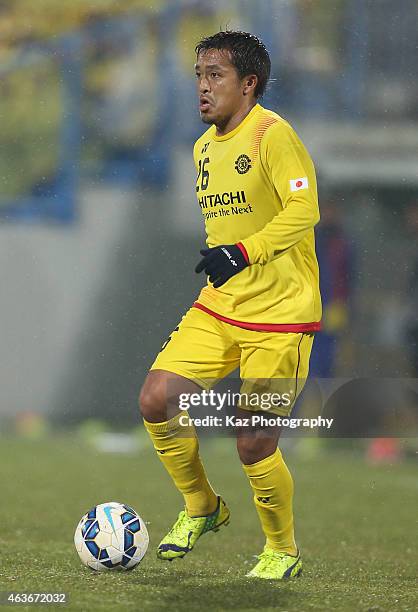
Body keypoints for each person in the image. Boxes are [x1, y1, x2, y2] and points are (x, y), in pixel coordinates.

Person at [139, 30, 321, 580]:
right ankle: (203, 506)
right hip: (221, 307)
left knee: (253, 441)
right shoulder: (202, 149)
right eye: (198, 75)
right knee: (156, 399)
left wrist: (245, 251)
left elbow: (304, 208)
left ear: (248, 84)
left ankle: (281, 549)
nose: (202, 86)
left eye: (215, 75)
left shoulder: (273, 133)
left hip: (282, 315)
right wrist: (230, 259)